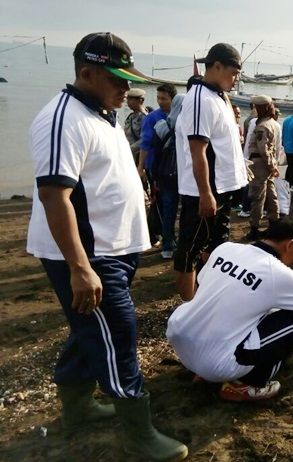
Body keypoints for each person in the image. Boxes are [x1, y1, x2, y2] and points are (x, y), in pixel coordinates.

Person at [26, 32, 187, 461]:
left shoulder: (102, 111)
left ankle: (76, 407)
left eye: (127, 79)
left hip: (114, 249)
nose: (125, 88)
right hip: (87, 255)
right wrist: (80, 268)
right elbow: (54, 196)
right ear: (86, 72)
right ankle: (138, 433)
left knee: (89, 330)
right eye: (116, 79)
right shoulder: (63, 118)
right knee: (118, 333)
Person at [166, 217, 293, 402]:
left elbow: (202, 288)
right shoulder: (280, 273)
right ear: (289, 245)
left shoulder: (226, 249)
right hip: (216, 364)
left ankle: (202, 369)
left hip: (182, 343)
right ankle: (249, 383)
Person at [174, 43, 248, 301]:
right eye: (234, 71)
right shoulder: (199, 99)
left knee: (218, 244)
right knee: (190, 247)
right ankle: (188, 304)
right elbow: (198, 150)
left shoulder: (219, 96)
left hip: (224, 187)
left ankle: (210, 295)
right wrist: (205, 193)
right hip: (206, 189)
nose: (236, 77)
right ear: (216, 66)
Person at [139, 83, 177, 257]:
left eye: (164, 98)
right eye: (158, 98)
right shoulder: (152, 118)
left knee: (168, 206)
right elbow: (145, 144)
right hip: (159, 170)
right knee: (164, 205)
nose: (161, 102)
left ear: (173, 99)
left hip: (175, 171)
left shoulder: (180, 116)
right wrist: (141, 167)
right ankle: (165, 241)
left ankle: (166, 239)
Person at [151, 93, 185, 260]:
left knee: (168, 210)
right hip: (185, 175)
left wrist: (154, 178)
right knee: (186, 210)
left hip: (165, 175)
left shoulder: (161, 126)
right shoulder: (188, 126)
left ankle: (167, 246)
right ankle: (183, 244)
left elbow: (156, 154)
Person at [246, 95, 280, 241]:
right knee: (271, 193)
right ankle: (274, 222)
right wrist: (273, 166)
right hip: (267, 163)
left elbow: (262, 149)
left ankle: (254, 228)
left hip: (260, 163)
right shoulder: (272, 122)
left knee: (257, 197)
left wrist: (271, 166)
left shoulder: (262, 126)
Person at [124, 88, 147, 165]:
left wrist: (131, 148)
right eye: (127, 99)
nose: (128, 102)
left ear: (140, 100)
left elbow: (145, 139)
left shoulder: (144, 117)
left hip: (137, 155)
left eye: (131, 99)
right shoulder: (130, 116)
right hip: (127, 152)